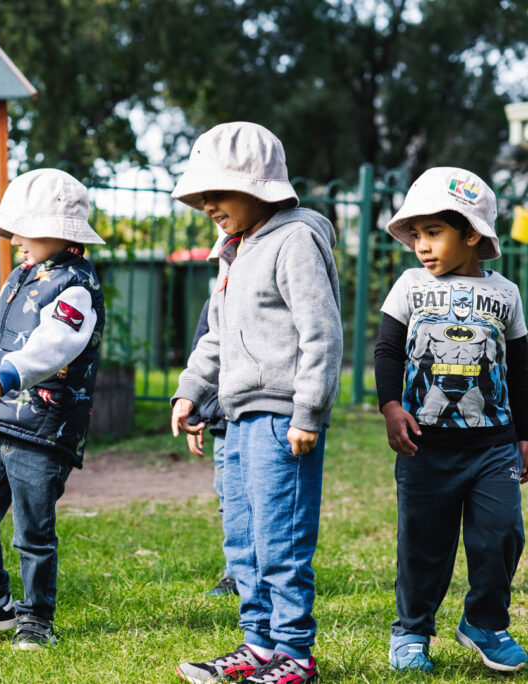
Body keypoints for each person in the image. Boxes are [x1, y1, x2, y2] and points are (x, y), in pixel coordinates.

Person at [169, 122, 342, 684]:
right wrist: (191, 389)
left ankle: (296, 655)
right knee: (242, 538)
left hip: (281, 421)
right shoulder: (234, 251)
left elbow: (322, 333)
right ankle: (259, 645)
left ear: (260, 186)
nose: (207, 205)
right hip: (237, 419)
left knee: (280, 541)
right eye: (200, 197)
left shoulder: (295, 241)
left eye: (217, 193)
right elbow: (216, 335)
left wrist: (308, 412)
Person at [0, 168, 106, 650]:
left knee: (32, 529)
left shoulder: (75, 286)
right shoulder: (22, 277)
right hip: (0, 422)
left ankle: (36, 618)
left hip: (45, 429)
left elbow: (55, 345)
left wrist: (5, 378)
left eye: (21, 231)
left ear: (57, 232)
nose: (14, 241)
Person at [374, 167, 528, 673]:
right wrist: (391, 406)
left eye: (433, 232)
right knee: (423, 543)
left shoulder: (505, 293)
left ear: (471, 234)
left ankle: (484, 623)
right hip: (426, 448)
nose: (421, 245)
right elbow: (388, 350)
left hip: (494, 447)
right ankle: (413, 630)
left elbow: (521, 367)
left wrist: (525, 435)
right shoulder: (409, 285)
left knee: (502, 533)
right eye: (415, 234)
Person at [186, 295, 236, 597]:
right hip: (223, 419)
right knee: (228, 500)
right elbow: (202, 354)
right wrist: (193, 410)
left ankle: (267, 574)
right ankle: (236, 574)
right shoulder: (220, 296)